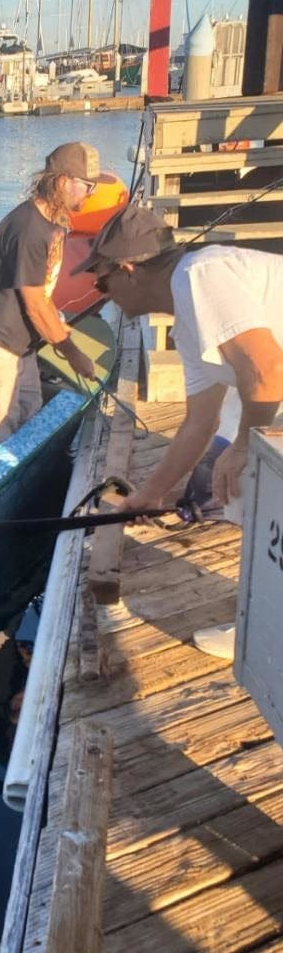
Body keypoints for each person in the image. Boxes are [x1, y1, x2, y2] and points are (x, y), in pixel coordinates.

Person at [73, 203, 283, 658]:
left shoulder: (201, 274)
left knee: (248, 477)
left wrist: (247, 444)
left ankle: (264, 626)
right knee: (240, 486)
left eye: (101, 282)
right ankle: (262, 618)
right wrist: (151, 493)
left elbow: (267, 366)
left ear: (128, 270)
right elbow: (199, 421)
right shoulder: (187, 321)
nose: (103, 294)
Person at [0, 141, 99, 464]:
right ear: (63, 182)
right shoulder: (30, 229)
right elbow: (34, 304)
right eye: (87, 186)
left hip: (21, 349)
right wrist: (73, 353)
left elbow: (42, 295)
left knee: (29, 424)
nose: (90, 194)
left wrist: (56, 324)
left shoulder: (52, 223)